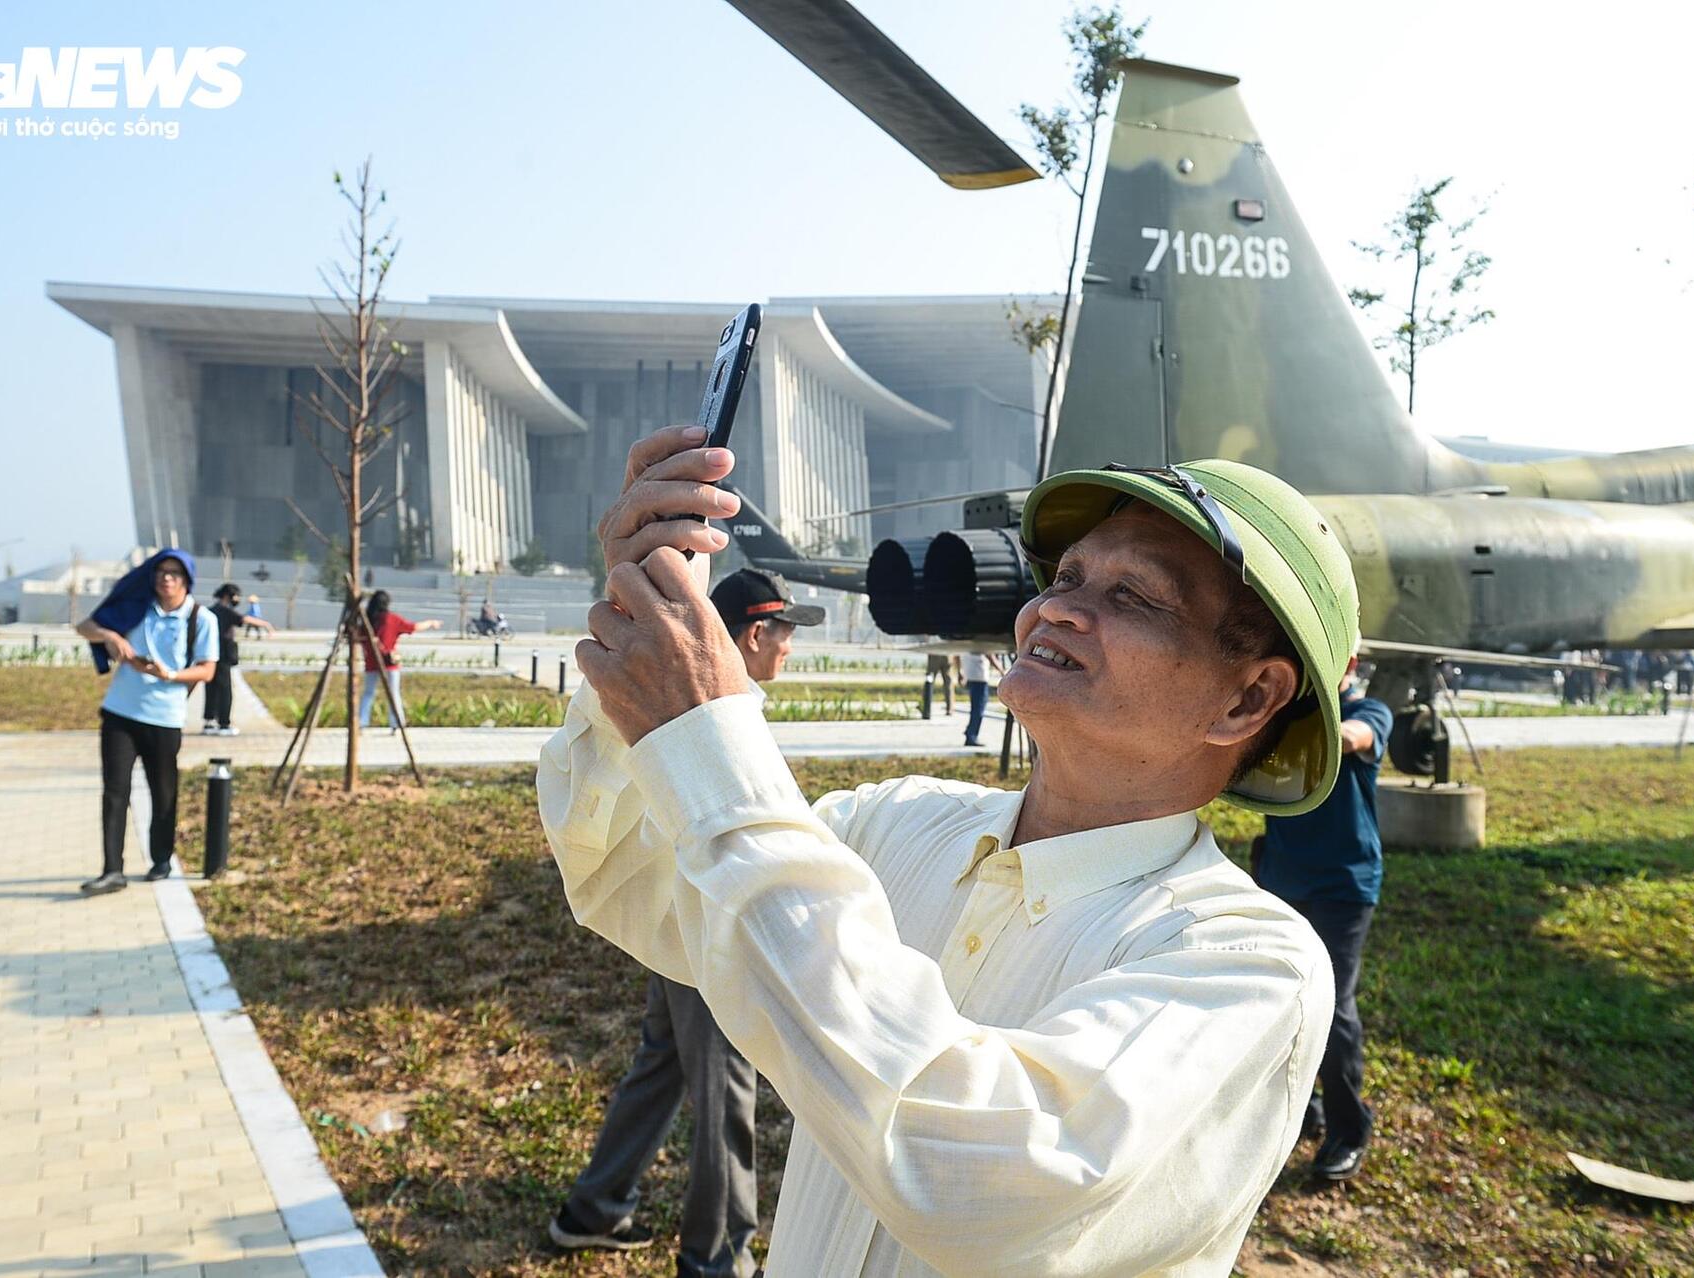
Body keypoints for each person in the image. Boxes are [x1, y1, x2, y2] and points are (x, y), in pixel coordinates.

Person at [539, 427, 1355, 1276]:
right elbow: (632, 871)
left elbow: (979, 1184)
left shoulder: (1252, 965)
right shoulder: (896, 823)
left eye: (1134, 596)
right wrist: (648, 613)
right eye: (1067, 576)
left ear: (1247, 699)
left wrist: (710, 737)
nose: (1055, 609)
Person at [549, 566, 824, 1278]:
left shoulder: (686, 703)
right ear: (755, 634)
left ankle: (593, 1210)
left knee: (662, 1065)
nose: (790, 647)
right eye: (787, 633)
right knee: (724, 1092)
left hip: (675, 916)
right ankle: (717, 1259)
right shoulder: (724, 717)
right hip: (709, 926)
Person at [1249, 656, 1393, 1182]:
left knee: (1334, 1006)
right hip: (1282, 877)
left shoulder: (1367, 711)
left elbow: (1354, 738)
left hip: (1343, 885)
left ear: (1347, 663)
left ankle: (1348, 1130)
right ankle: (1302, 1108)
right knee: (1280, 1001)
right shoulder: (1281, 713)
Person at [74, 551, 218, 895]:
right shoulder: (138, 607)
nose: (166, 579)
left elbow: (207, 670)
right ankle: (112, 870)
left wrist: (170, 675)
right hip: (120, 713)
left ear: (187, 580)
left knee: (163, 791)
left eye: (174, 573)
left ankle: (161, 858)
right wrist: (111, 637)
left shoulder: (201, 618)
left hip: (164, 718)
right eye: (161, 572)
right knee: (114, 792)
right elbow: (84, 627)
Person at [357, 591, 440, 730]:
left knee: (368, 693)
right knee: (394, 694)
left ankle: (361, 722)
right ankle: (396, 723)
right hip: (389, 663)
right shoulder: (392, 619)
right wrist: (431, 623)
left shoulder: (367, 620)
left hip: (371, 662)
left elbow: (357, 636)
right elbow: (413, 627)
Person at [203, 583, 276, 736]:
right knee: (225, 690)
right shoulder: (226, 611)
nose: (237, 599)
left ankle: (209, 722)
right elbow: (245, 619)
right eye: (235, 596)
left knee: (211, 689)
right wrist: (267, 625)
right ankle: (224, 724)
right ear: (227, 596)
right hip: (223, 655)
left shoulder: (210, 611)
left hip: (209, 654)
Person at [960, 648, 991, 746]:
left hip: (970, 676)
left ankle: (970, 731)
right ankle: (971, 735)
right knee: (978, 709)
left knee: (975, 708)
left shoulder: (965, 644)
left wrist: (960, 671)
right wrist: (1002, 670)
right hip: (980, 678)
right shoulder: (981, 644)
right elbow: (990, 655)